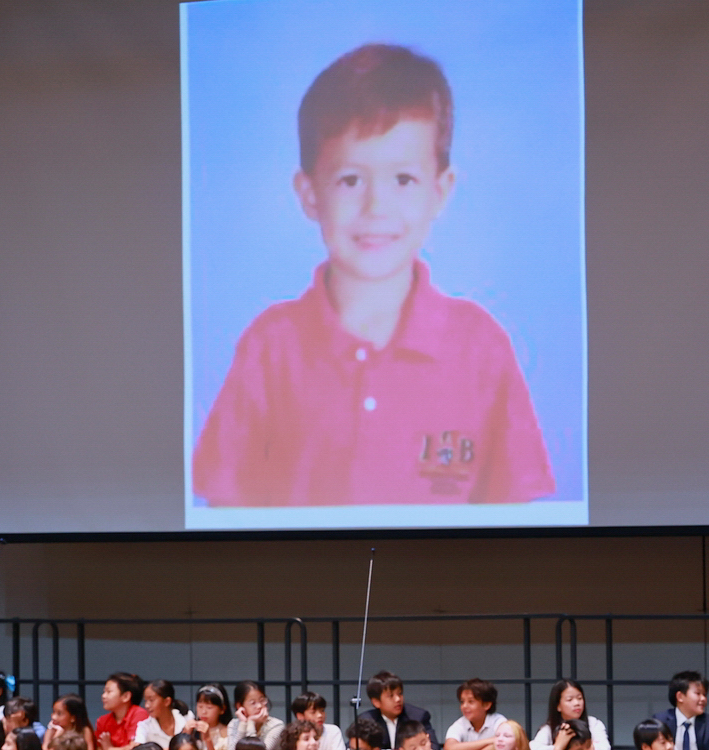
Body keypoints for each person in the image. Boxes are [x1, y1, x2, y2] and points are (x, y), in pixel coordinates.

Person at [190, 41, 554, 507]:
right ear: (308, 194)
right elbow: (229, 512)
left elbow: (513, 524)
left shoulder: (482, 347)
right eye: (350, 180)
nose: (376, 207)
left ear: (440, 192)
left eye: (403, 179)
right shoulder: (269, 347)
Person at [653, 669, 709, 750]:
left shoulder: (708, 721)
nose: (703, 699)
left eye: (705, 694)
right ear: (680, 697)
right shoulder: (661, 720)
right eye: (698, 693)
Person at [530, 679, 609, 750]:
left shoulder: (593, 723)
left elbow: (604, 749)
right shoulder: (548, 728)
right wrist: (558, 747)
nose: (576, 703)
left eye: (579, 698)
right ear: (558, 706)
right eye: (569, 700)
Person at [354, 671, 431, 750]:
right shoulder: (366, 721)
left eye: (400, 694)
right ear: (376, 702)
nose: (398, 699)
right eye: (391, 696)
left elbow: (433, 746)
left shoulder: (418, 716)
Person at [443, 677, 508, 750]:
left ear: (487, 705)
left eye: (471, 702)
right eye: (462, 702)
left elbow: (498, 747)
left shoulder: (499, 722)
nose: (464, 706)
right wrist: (489, 741)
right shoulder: (460, 724)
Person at [94, 672, 146, 750]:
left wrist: (109, 749)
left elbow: (134, 749)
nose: (103, 696)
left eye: (109, 692)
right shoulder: (102, 721)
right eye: (104, 692)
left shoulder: (138, 714)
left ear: (126, 696)